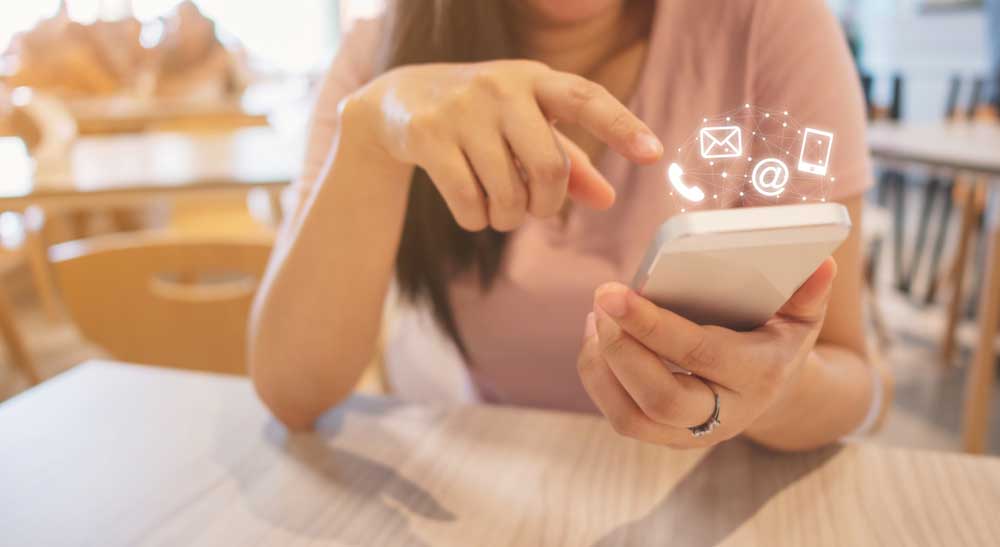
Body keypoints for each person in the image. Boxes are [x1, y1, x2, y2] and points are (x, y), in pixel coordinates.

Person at [250, 0, 890, 451]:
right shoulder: (382, 53)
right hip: (507, 482)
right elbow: (293, 392)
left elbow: (854, 382)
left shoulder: (770, 23)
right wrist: (371, 138)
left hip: (726, 490)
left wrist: (765, 392)